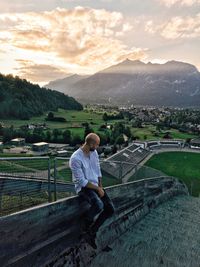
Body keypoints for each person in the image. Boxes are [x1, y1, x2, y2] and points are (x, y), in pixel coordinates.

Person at [69, 133, 115, 249]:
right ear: (90, 143)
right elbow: (82, 182)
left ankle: (91, 232)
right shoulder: (75, 158)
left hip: (95, 185)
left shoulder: (94, 153)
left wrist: (100, 186)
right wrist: (97, 189)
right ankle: (84, 226)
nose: (98, 147)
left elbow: (97, 169)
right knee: (98, 205)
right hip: (84, 188)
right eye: (97, 144)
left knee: (110, 209)